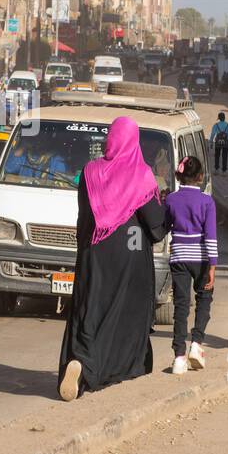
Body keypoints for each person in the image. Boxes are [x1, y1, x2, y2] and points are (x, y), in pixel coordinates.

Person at [58, 117, 168, 401]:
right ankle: (121, 370)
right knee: (127, 312)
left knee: (91, 309)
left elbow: (85, 218)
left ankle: (81, 363)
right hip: (129, 257)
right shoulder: (140, 174)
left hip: (94, 253)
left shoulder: (90, 172)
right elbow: (155, 226)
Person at [164, 156, 217, 375]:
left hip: (179, 258)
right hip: (202, 259)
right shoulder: (207, 202)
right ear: (200, 177)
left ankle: (179, 357)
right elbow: (211, 236)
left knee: (181, 305)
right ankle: (196, 343)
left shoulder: (171, 199)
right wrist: (213, 266)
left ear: (179, 175)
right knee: (204, 299)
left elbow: (164, 226)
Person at [4, 136, 68, 182]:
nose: (39, 142)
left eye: (43, 139)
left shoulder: (56, 160)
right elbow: (9, 169)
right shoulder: (25, 155)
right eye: (36, 138)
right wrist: (22, 147)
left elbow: (58, 182)